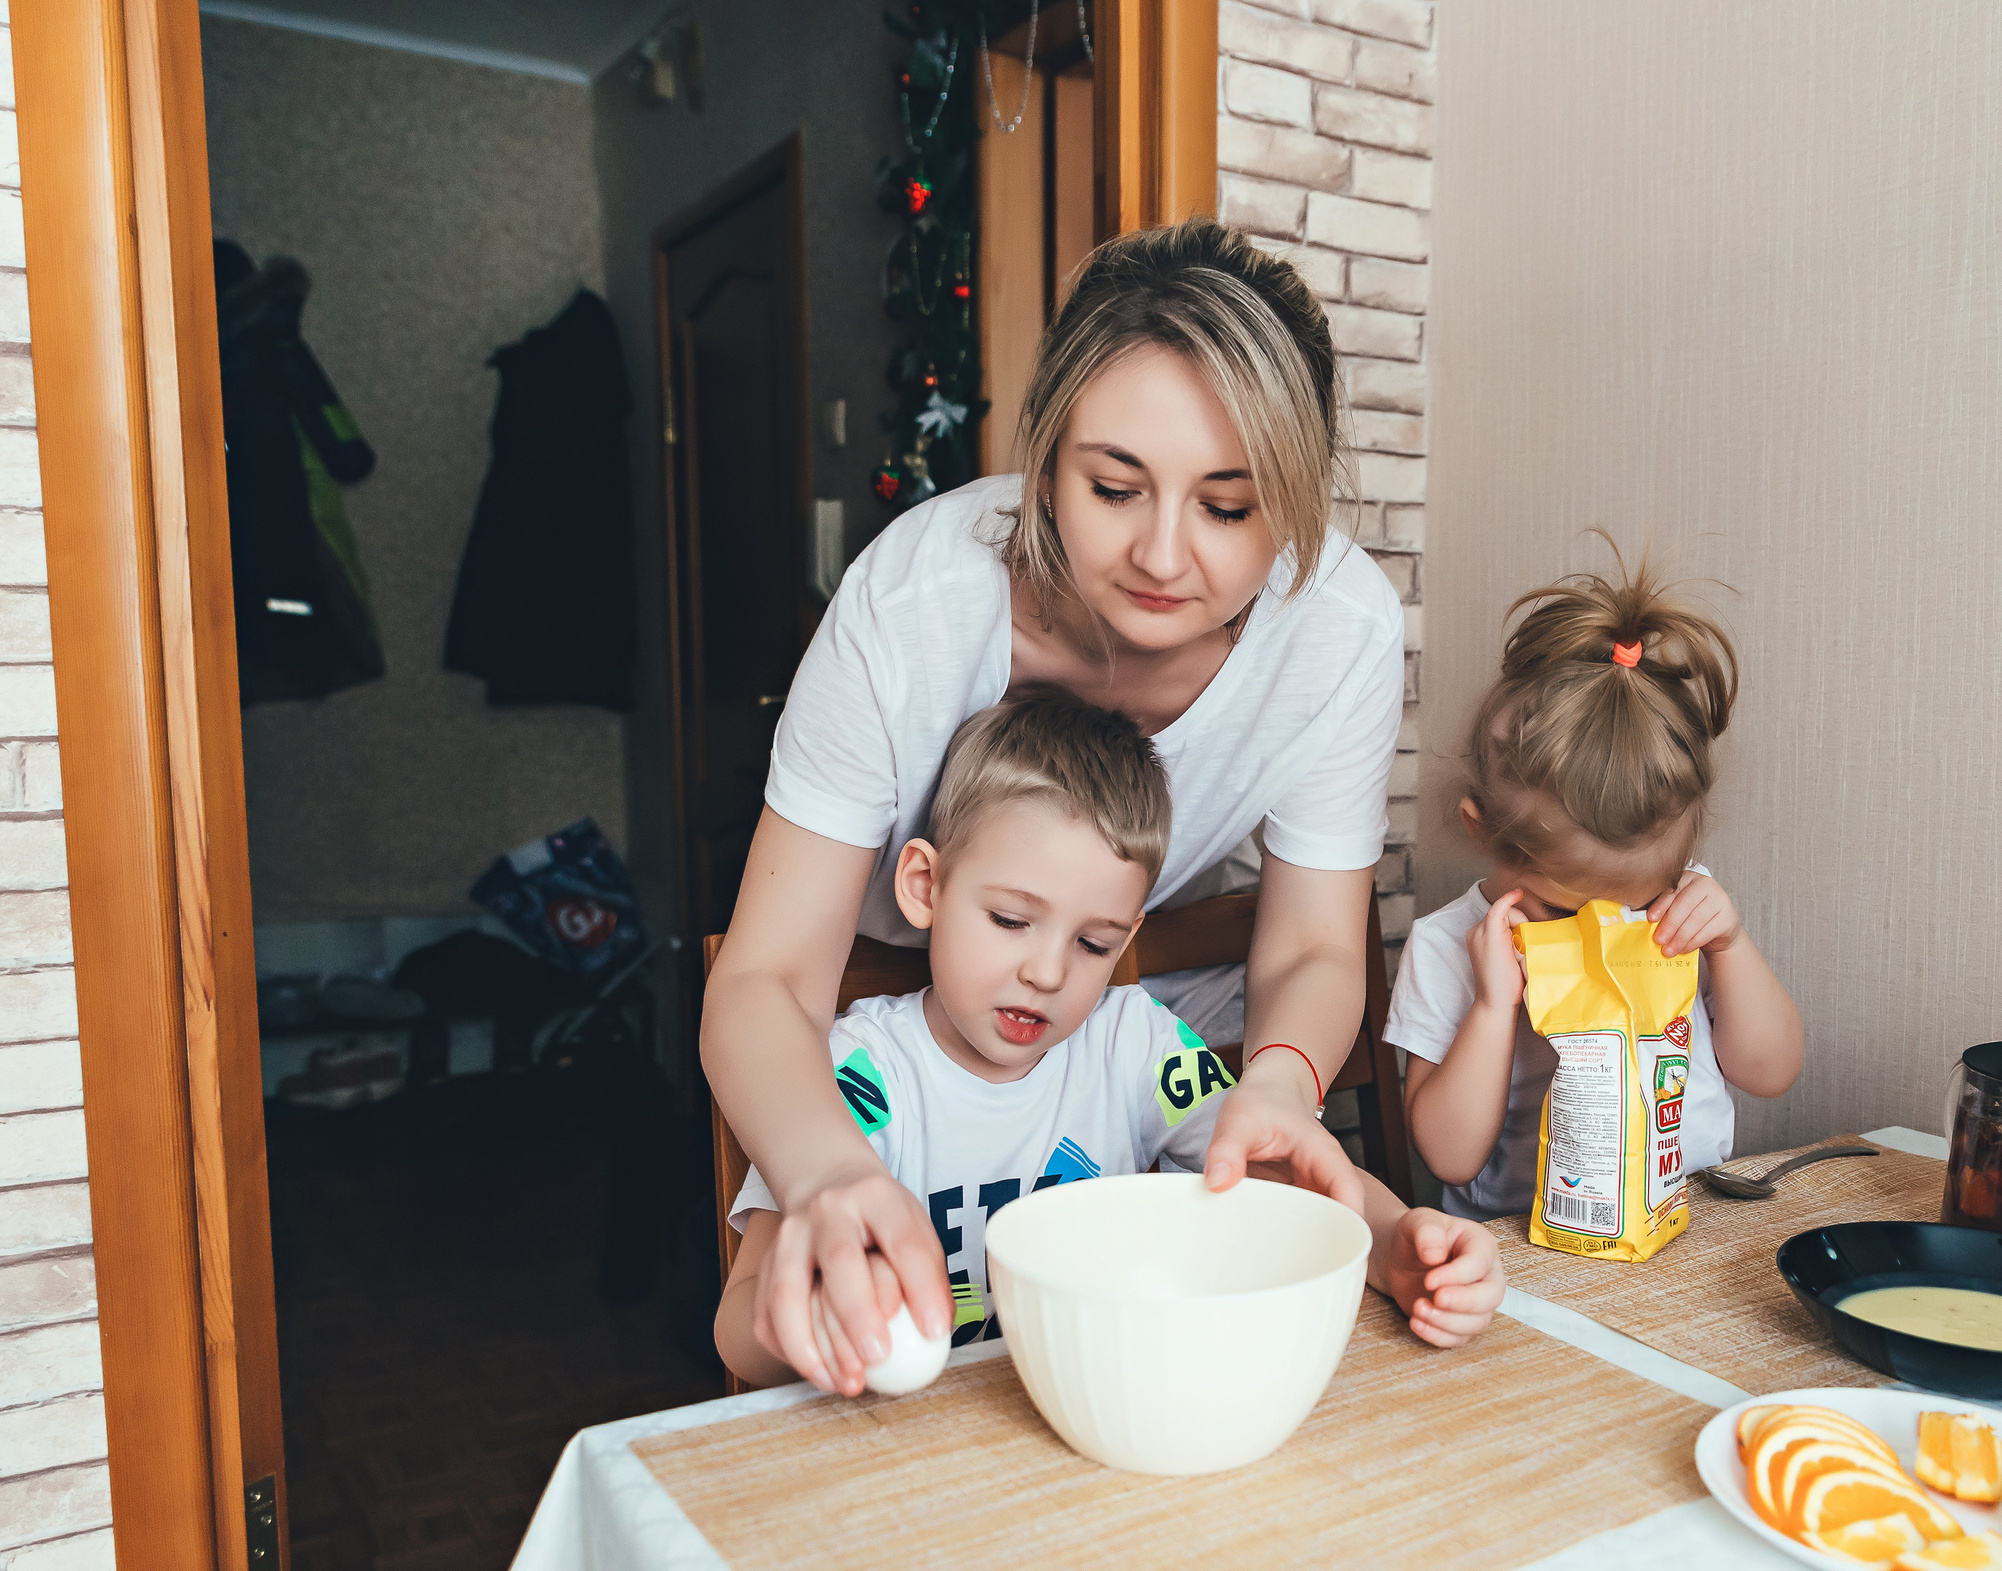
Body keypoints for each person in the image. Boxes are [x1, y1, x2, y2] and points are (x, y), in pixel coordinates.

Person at [702, 221, 1412, 1393]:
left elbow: (1319, 943)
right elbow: (766, 980)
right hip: (894, 1053)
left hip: (1103, 1058)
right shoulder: (915, 603)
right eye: (1113, 487)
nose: (1164, 554)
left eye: (1230, 507)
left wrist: (1280, 1082)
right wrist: (829, 1170)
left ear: (1292, 498)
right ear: (1043, 460)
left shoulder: (1334, 629)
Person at [714, 691, 1503, 1391]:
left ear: (1126, 939)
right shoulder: (859, 1080)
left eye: (1093, 944)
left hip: (1097, 1415)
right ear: (926, 886)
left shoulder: (1136, 1047)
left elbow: (1281, 1170)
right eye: (1011, 920)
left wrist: (1394, 1241)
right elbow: (739, 1329)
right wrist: (810, 1316)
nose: (1048, 971)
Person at [1385, 553, 1806, 1220]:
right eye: (1563, 905)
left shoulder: (1680, 910)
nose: (1601, 926)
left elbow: (1770, 1071)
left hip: (1685, 1217)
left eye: (1628, 903)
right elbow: (1448, 1157)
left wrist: (1729, 944)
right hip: (1522, 1246)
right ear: (1482, 832)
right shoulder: (1446, 947)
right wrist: (1494, 1007)